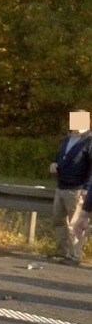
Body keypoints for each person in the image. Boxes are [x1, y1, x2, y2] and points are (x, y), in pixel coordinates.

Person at [49, 111, 92, 265]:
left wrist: (86, 187)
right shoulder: (68, 138)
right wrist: (54, 163)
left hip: (77, 188)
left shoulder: (89, 140)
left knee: (75, 224)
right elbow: (60, 156)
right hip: (61, 185)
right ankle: (62, 251)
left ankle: (75, 255)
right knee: (59, 220)